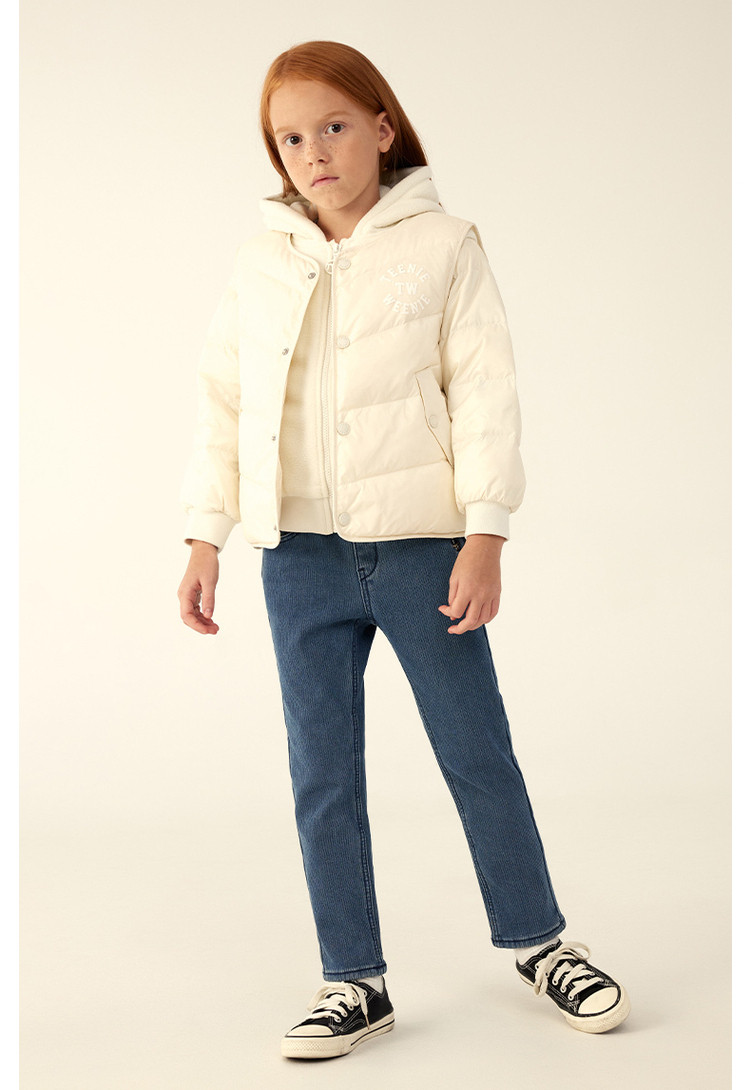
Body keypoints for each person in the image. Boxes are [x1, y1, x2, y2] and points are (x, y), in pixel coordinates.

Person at [177, 40, 630, 1060]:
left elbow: (486, 392)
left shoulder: (446, 245)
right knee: (322, 773)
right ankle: (354, 979)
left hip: (424, 548)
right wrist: (205, 535)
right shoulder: (260, 263)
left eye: (334, 127)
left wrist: (487, 531)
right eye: (291, 138)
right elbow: (224, 400)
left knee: (476, 752)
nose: (314, 153)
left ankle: (540, 941)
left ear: (383, 128)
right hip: (297, 556)